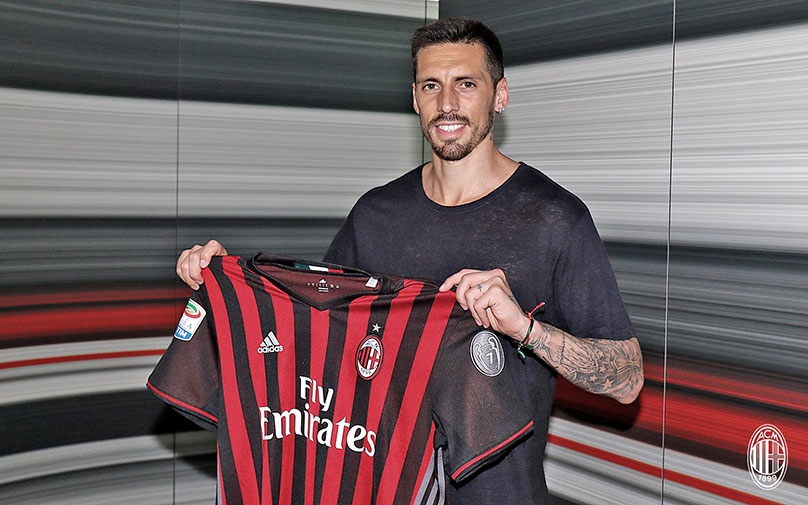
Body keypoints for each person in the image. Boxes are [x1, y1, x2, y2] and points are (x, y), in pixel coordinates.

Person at [176, 17, 643, 505]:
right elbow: (311, 343)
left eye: (466, 84)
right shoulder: (375, 215)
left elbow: (628, 381)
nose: (447, 103)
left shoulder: (555, 219)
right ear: (414, 98)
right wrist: (226, 286)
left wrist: (526, 330)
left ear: (500, 95)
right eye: (431, 85)